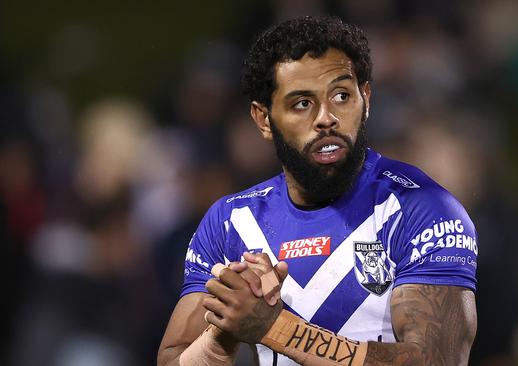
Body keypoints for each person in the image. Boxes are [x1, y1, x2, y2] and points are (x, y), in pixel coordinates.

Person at [158, 16, 478, 366]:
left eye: (341, 95)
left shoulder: (421, 208)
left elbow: (438, 360)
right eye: (302, 103)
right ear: (264, 119)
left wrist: (274, 328)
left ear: (366, 99)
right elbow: (173, 359)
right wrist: (224, 331)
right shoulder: (230, 222)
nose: (326, 117)